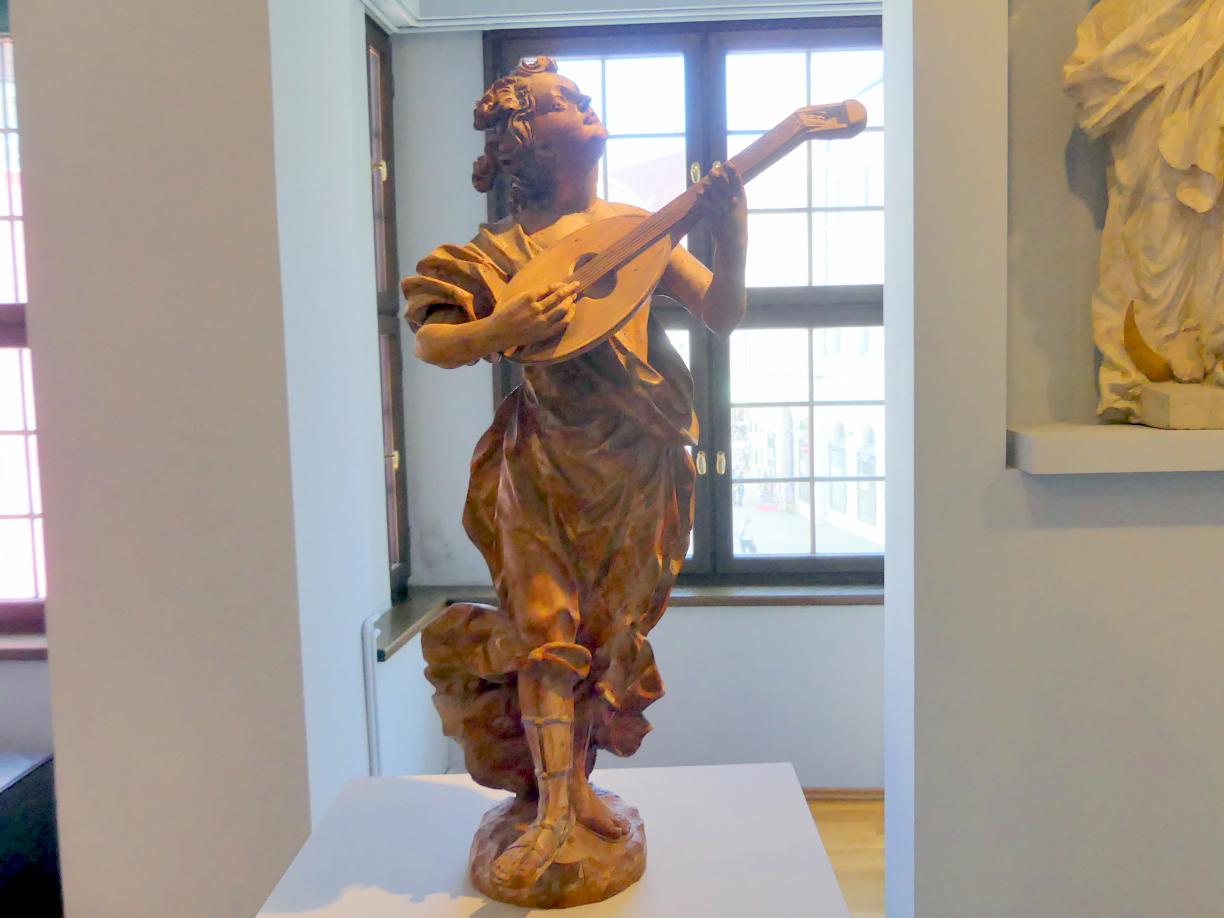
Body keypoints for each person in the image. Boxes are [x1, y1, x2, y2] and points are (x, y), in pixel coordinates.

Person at [402, 57, 748, 891]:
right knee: (544, 627)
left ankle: (575, 790)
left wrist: (731, 234)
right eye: (563, 100)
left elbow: (722, 312)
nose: (584, 102)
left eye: (580, 95)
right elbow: (434, 339)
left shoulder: (635, 229)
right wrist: (502, 327)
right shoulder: (498, 251)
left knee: (604, 634)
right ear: (526, 139)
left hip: (637, 463)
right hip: (545, 463)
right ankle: (552, 813)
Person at [1064, 0, 1224, 420]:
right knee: (1156, 219)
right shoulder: (1122, 15)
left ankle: (1210, 341)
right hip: (1153, 57)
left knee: (1212, 216)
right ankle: (1159, 345)